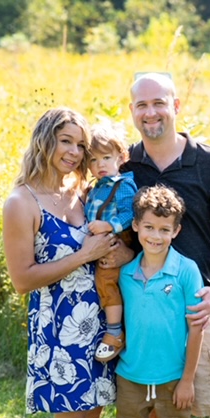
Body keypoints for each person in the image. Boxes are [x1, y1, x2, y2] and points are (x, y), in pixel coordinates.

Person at [117, 72, 210, 418]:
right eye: (142, 105)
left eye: (159, 103)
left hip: (199, 311)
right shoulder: (124, 165)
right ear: (132, 110)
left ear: (175, 105)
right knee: (158, 415)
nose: (150, 113)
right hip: (147, 314)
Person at [2, 107, 119, 418]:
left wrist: (117, 253)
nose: (74, 152)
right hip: (59, 326)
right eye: (66, 141)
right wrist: (83, 255)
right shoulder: (21, 202)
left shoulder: (84, 193)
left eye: (81, 145)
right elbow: (22, 279)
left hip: (100, 322)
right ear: (44, 141)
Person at [115, 184, 204, 418]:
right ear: (135, 225)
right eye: (149, 227)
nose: (155, 236)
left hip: (173, 377)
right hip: (130, 376)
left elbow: (196, 328)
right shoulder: (125, 273)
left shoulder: (187, 270)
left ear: (176, 231)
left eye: (164, 229)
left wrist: (187, 380)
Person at [84, 123, 138, 362]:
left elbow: (130, 214)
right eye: (93, 160)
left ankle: (115, 333)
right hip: (100, 240)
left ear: (121, 157)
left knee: (106, 282)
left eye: (106, 158)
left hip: (115, 240)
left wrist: (109, 226)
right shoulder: (97, 187)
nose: (100, 165)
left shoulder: (122, 185)